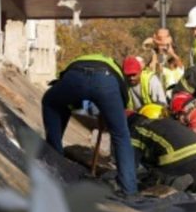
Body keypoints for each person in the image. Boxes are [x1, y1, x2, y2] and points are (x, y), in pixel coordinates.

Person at [41, 54, 137, 195]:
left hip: (74, 77)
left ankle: (54, 160)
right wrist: (107, 117)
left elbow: (66, 85)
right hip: (105, 81)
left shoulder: (84, 58)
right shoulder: (118, 76)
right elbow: (121, 107)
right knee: (121, 135)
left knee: (51, 103)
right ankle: (129, 190)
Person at [128, 104, 196, 191]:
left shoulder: (136, 129)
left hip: (179, 158)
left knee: (151, 183)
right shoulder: (164, 123)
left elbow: (131, 162)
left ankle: (172, 183)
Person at [147, 28, 185, 96]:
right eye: (170, 62)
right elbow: (158, 66)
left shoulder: (179, 70)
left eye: (172, 62)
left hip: (180, 95)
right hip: (169, 96)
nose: (171, 64)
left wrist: (172, 53)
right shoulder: (167, 71)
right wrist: (157, 51)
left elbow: (179, 60)